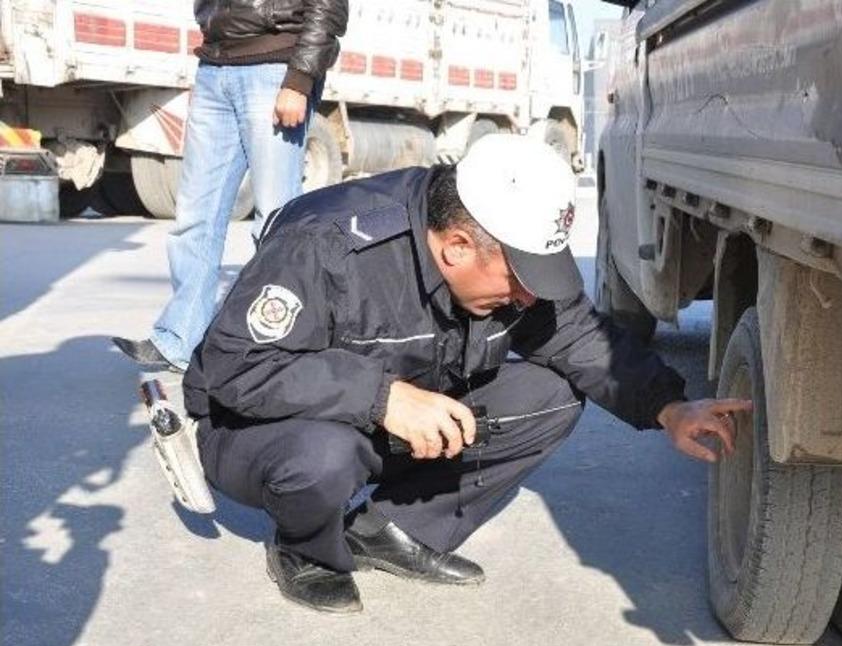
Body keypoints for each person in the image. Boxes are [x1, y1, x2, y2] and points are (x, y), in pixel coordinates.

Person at [182, 134, 752, 613]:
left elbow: (579, 334)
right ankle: (305, 547)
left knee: (553, 394)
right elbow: (235, 369)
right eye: (520, 276)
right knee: (323, 456)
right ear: (456, 246)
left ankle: (394, 531)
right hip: (261, 431)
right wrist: (382, 399)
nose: (529, 294)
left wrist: (669, 407)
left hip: (397, 417)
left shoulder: (503, 263)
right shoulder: (328, 246)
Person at [113, 0, 349, 373]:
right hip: (215, 66)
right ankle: (181, 339)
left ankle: (272, 341)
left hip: (275, 66)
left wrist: (300, 78)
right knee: (194, 216)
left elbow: (328, 7)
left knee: (276, 221)